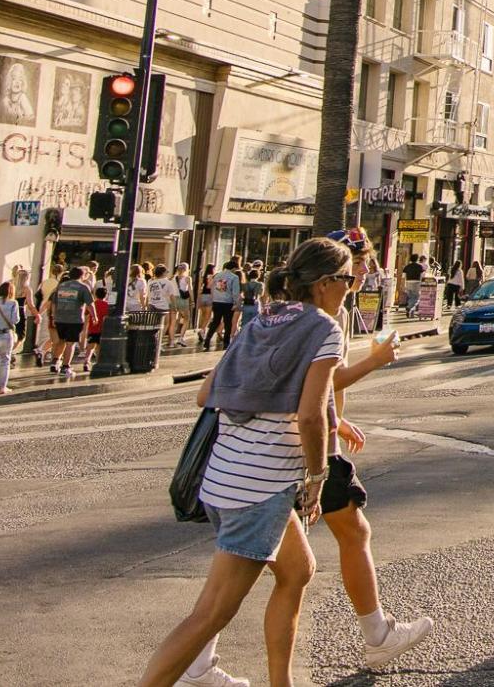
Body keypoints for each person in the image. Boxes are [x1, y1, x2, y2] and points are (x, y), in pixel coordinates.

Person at [140, 238, 351, 687]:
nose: (351, 288)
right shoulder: (324, 328)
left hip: (223, 478)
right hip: (260, 487)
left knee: (297, 571)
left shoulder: (261, 321)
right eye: (348, 279)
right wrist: (316, 478)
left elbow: (205, 394)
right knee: (212, 613)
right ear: (326, 283)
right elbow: (313, 414)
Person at [204, 258, 242, 351]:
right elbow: (235, 292)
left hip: (217, 301)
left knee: (215, 321)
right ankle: (226, 343)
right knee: (228, 323)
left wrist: (214, 298)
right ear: (233, 269)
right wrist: (236, 303)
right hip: (228, 302)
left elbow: (211, 287)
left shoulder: (217, 275)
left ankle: (207, 340)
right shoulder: (234, 277)